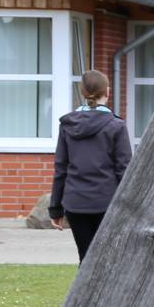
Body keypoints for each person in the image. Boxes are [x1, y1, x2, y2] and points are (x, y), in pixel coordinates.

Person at [48, 69, 132, 261]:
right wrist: (129, 207)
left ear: (83, 93)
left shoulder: (68, 125)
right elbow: (124, 170)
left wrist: (55, 209)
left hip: (75, 203)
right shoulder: (116, 126)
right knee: (106, 259)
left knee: (85, 258)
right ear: (107, 92)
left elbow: (60, 168)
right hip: (106, 202)